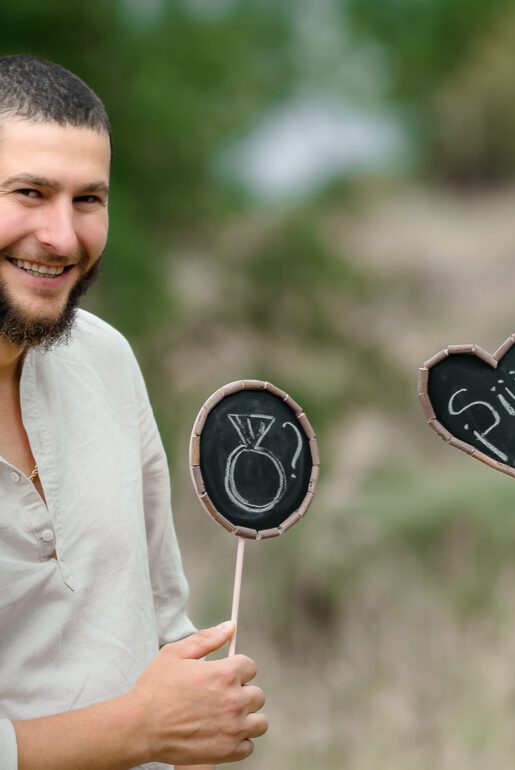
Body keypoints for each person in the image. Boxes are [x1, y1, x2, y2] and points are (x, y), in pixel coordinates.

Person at [0, 55, 267, 769]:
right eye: (29, 193)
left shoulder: (105, 358)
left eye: (88, 200)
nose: (63, 237)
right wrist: (143, 729)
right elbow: (150, 720)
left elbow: (160, 624)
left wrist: (200, 712)